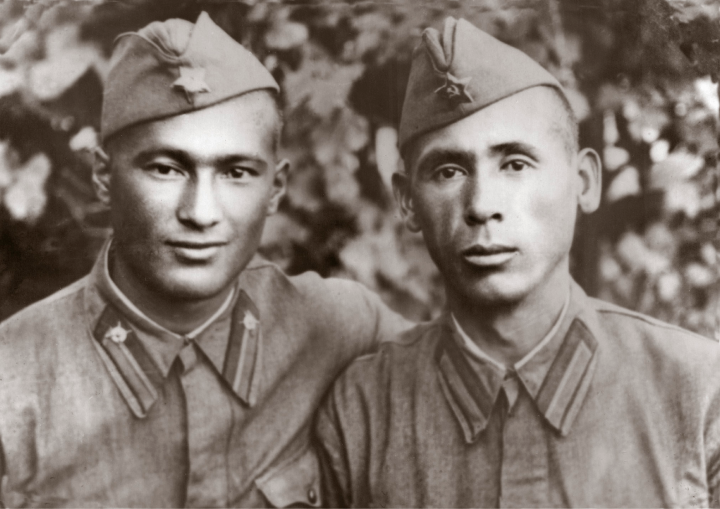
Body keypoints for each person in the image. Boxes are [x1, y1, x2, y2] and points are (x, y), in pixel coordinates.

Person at [0, 12, 409, 509]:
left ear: (275, 188)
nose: (200, 212)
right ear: (104, 177)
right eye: (166, 168)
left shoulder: (340, 325)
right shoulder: (12, 381)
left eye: (236, 172)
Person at [314, 16, 720, 508]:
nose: (482, 205)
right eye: (448, 171)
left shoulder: (697, 393)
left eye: (515, 164)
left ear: (584, 182)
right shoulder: (361, 413)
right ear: (407, 202)